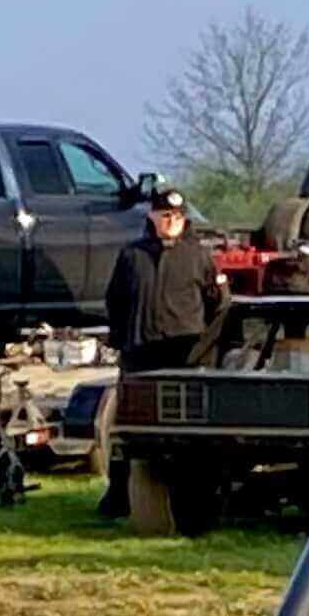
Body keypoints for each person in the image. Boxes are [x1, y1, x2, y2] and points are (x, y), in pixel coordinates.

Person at [99, 185, 222, 521]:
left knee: (188, 436)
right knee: (128, 432)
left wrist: (202, 349)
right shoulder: (131, 255)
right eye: (165, 215)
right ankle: (119, 498)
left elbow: (218, 306)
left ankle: (194, 503)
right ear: (152, 216)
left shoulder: (199, 256)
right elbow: (116, 302)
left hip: (184, 358)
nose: (171, 222)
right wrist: (123, 339)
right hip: (140, 356)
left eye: (178, 217)